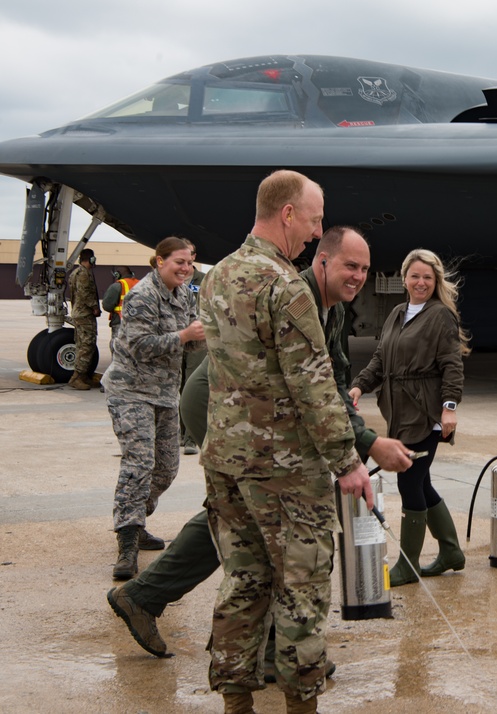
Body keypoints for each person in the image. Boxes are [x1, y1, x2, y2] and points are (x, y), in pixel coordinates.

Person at [106, 226, 412, 665]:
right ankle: (274, 652)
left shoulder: (335, 309)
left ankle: (147, 597)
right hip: (222, 403)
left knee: (241, 513)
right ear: (322, 261)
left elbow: (335, 380)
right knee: (273, 519)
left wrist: (362, 438)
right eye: (350, 266)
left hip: (255, 409)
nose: (359, 276)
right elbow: (306, 385)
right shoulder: (297, 295)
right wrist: (364, 445)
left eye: (365, 268)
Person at [199, 170, 373, 714]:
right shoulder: (285, 285)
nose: (315, 232)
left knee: (243, 581)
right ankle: (301, 704)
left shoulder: (218, 276)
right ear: (289, 214)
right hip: (283, 469)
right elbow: (314, 383)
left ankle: (236, 702)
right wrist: (348, 462)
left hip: (225, 461)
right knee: (301, 588)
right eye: (315, 220)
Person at [349, 248, 469, 587]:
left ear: (436, 282)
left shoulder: (440, 315)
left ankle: (409, 564)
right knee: (421, 481)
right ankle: (450, 552)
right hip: (399, 411)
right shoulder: (397, 313)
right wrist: (359, 386)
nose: (421, 282)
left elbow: (451, 364)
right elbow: (379, 358)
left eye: (427, 278)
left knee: (409, 481)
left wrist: (449, 407)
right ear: (404, 278)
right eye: (415, 276)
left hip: (426, 412)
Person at [103, 238, 205, 581]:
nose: (185, 268)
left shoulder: (184, 294)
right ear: (159, 261)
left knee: (167, 467)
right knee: (139, 463)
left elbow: (192, 336)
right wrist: (183, 335)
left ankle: (135, 517)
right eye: (178, 261)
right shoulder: (141, 296)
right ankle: (128, 541)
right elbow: (139, 345)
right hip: (130, 391)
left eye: (189, 262)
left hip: (163, 393)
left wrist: (208, 335)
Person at [179, 240, 207, 455]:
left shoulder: (204, 280)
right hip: (177, 338)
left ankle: (190, 439)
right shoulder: (172, 281)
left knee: (192, 383)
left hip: (197, 341)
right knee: (177, 384)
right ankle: (179, 433)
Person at [68, 248, 101, 390]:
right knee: (87, 345)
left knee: (82, 344)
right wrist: (94, 307)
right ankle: (77, 377)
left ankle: (83, 376)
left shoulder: (75, 273)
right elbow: (84, 293)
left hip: (79, 312)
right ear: (91, 259)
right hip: (85, 314)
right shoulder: (83, 274)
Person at [102, 266, 139, 357]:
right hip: (139, 324)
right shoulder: (141, 284)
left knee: (118, 352)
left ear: (117, 274)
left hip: (120, 323)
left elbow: (107, 305)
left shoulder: (117, 286)